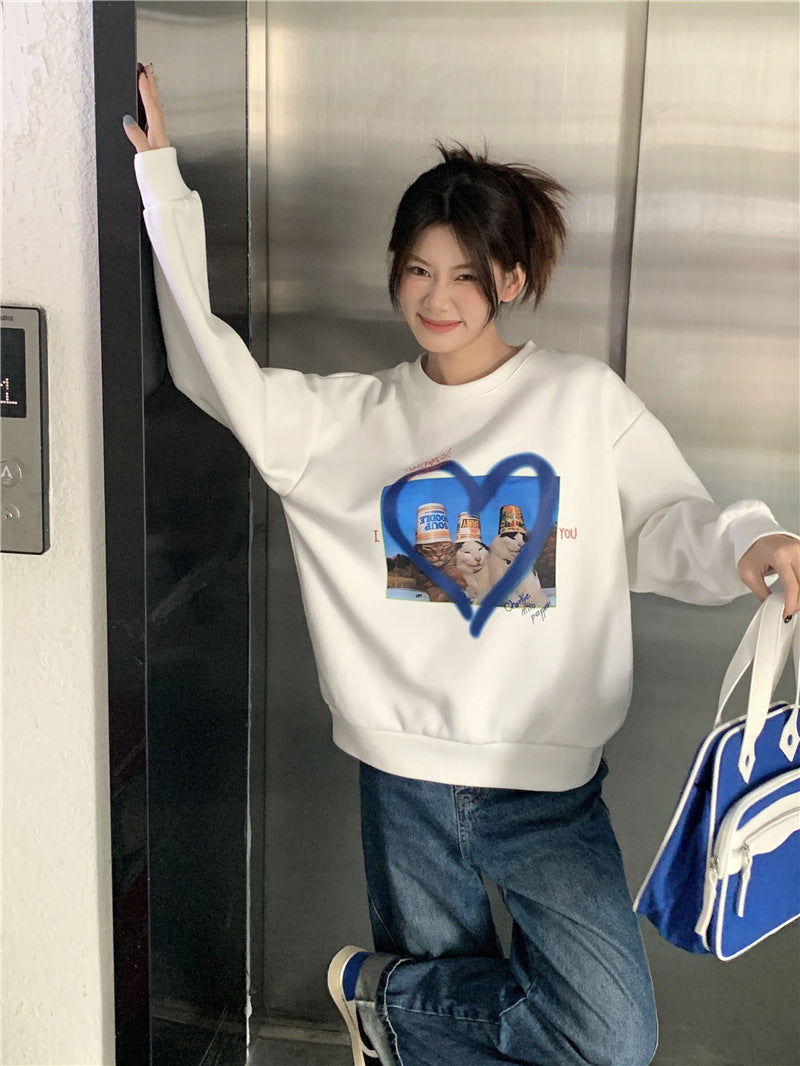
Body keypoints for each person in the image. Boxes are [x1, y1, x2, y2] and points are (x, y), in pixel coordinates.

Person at [123, 64, 800, 1066]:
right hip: (407, 781)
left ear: (512, 281)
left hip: (546, 788)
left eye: (466, 275)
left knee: (611, 1034)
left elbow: (665, 519)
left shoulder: (579, 400)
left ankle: (379, 997)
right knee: (451, 1053)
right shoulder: (351, 419)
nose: (437, 298)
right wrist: (162, 186)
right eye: (417, 270)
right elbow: (208, 367)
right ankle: (397, 1019)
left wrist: (750, 542)